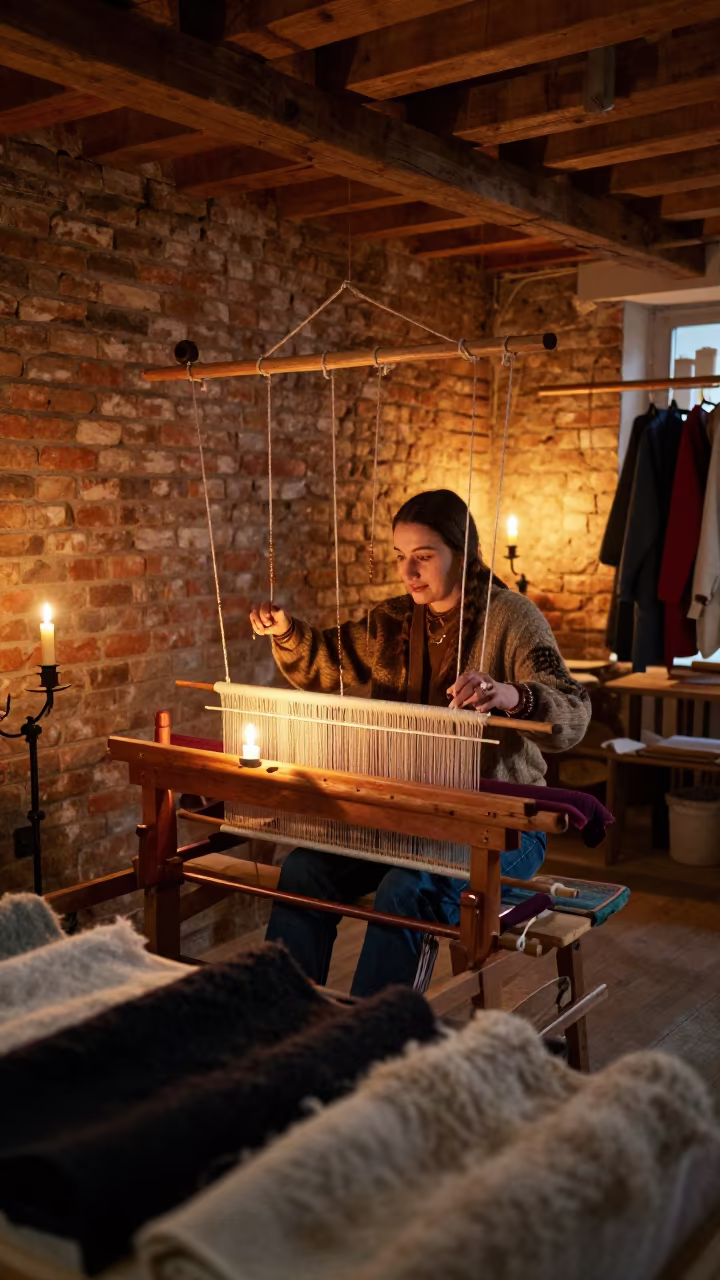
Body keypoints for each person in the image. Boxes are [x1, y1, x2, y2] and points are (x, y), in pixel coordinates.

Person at [249, 489, 590, 997]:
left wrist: (511, 695)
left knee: (406, 890)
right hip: (409, 814)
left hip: (499, 826)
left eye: (423, 558)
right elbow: (327, 661)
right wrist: (286, 633)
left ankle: (374, 1039)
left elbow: (574, 709)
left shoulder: (512, 618)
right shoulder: (391, 621)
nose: (408, 573)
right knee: (303, 869)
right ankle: (280, 1017)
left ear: (463, 554)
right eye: (400, 558)